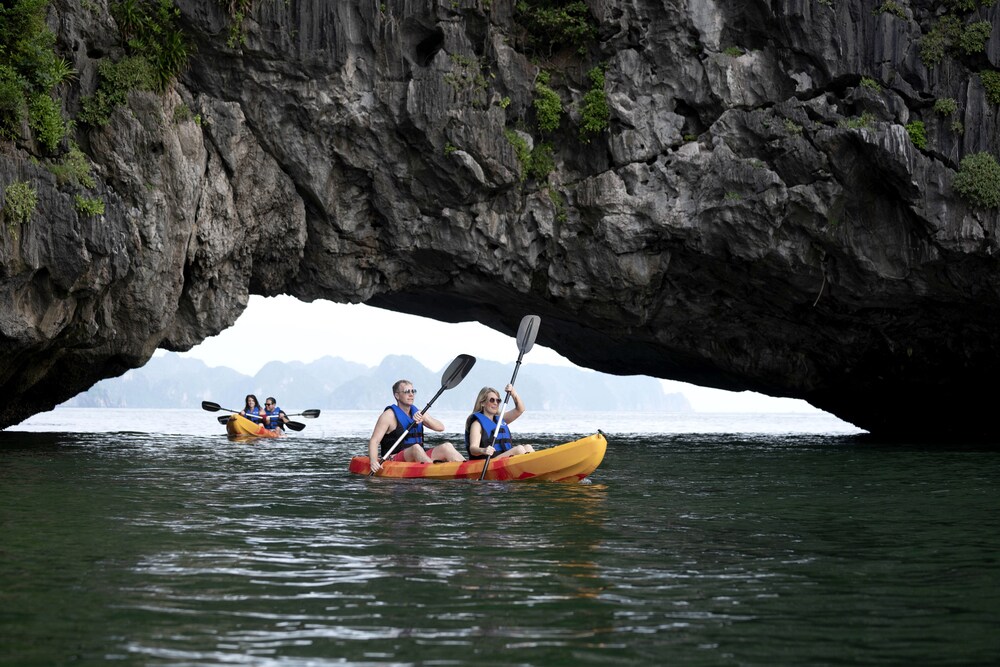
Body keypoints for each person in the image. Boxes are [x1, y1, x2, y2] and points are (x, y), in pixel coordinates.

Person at [367, 379, 464, 473]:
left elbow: (440, 427)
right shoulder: (388, 415)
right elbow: (374, 441)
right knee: (416, 448)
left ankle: (467, 467)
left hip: (419, 455)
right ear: (397, 395)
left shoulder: (419, 413)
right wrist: (373, 461)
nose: (411, 394)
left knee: (447, 446)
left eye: (413, 391)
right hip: (394, 458)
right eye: (406, 391)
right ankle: (436, 473)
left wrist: (425, 418)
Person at [465, 384, 535, 460]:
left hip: (503, 458)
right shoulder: (477, 424)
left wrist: (513, 393)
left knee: (528, 447)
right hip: (487, 461)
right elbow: (473, 449)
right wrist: (483, 450)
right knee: (519, 449)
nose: (495, 403)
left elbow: (520, 409)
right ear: (482, 403)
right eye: (492, 400)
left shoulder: (500, 419)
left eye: (498, 400)